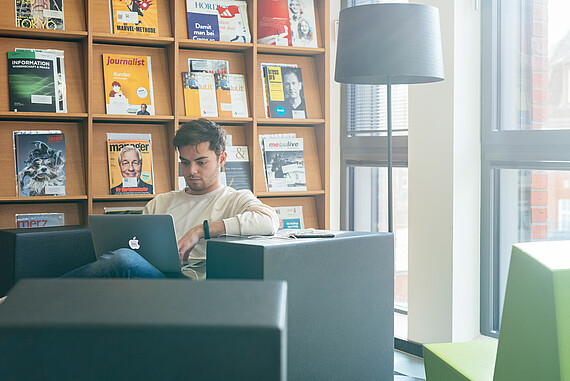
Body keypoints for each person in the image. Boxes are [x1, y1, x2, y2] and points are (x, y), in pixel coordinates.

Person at [63, 118, 279, 279]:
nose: (191, 171)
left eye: (201, 162)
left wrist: (201, 231)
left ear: (221, 158)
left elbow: (270, 220)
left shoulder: (235, 199)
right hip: (148, 280)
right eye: (185, 162)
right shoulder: (161, 202)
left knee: (123, 260)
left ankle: (42, 296)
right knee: (120, 259)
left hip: (187, 289)